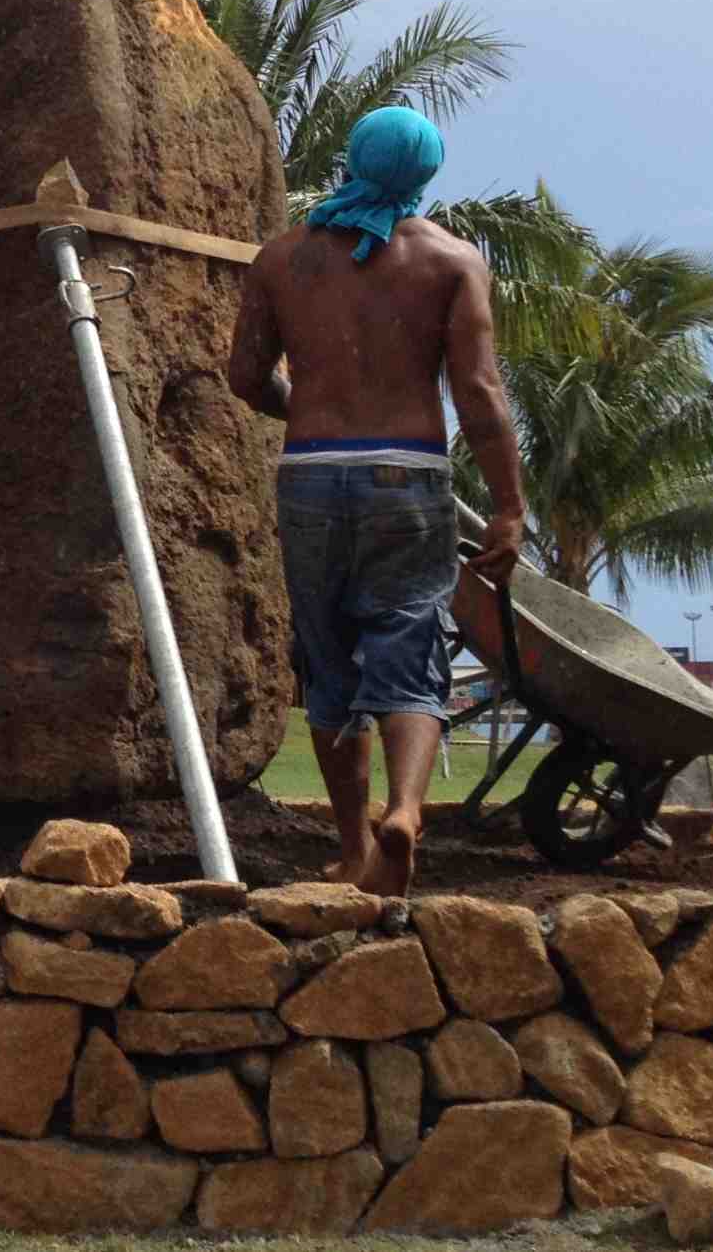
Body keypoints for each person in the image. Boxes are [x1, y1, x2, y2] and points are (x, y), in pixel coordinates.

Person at [225, 106, 529, 898]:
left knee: (328, 659)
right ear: (425, 173)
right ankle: (405, 812)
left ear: (353, 157)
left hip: (312, 472)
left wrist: (305, 407)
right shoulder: (452, 261)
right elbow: (480, 392)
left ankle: (355, 845)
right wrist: (508, 507)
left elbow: (244, 376)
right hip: (410, 472)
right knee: (409, 644)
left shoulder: (283, 258)